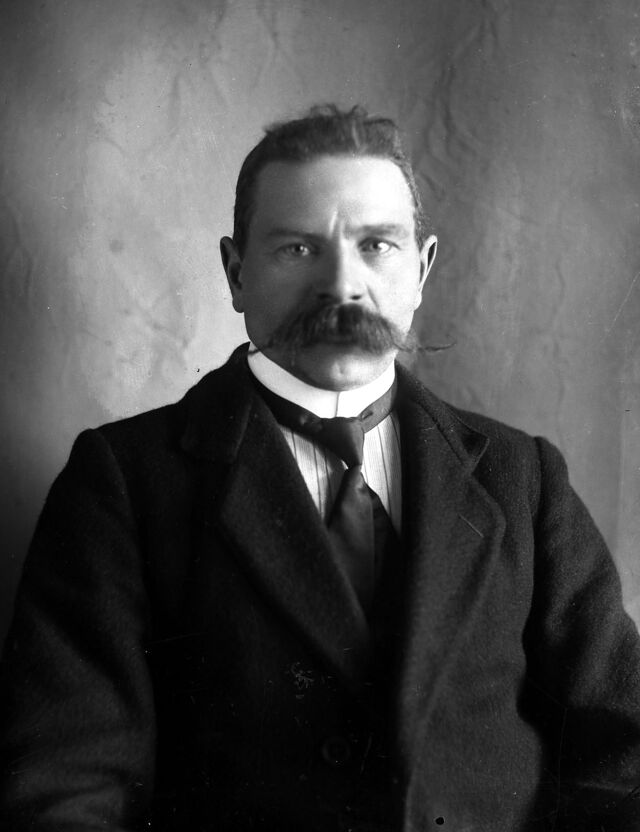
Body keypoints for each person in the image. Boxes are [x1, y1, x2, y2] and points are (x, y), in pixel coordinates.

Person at [1, 104, 639, 832]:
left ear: (422, 271)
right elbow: (67, 784)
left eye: (377, 246)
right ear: (236, 273)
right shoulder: (124, 481)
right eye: (299, 249)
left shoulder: (522, 480)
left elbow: (623, 753)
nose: (342, 285)